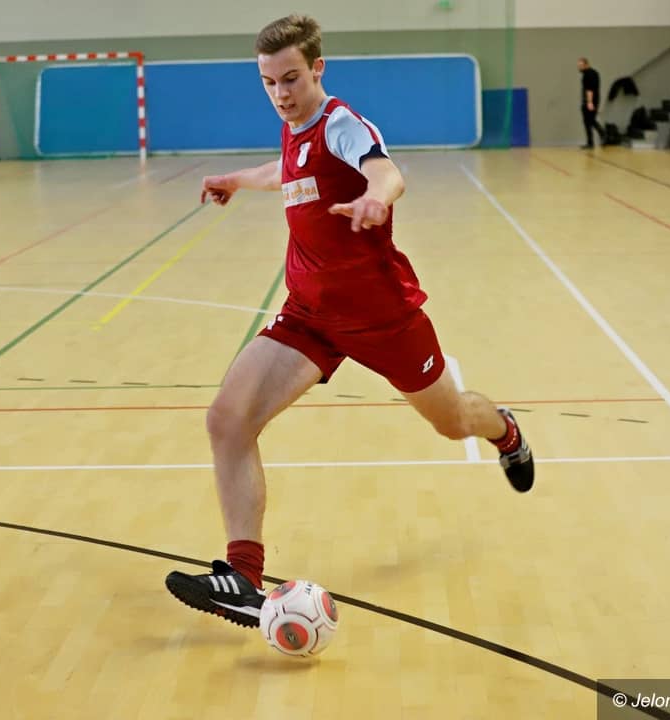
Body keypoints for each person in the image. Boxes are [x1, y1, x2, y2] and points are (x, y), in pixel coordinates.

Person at [164, 14, 534, 628]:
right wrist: (236, 179)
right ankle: (244, 578)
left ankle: (505, 431)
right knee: (227, 420)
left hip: (382, 318)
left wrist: (375, 197)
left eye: (291, 78)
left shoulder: (340, 123)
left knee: (451, 421)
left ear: (317, 69)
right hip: (309, 315)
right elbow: (284, 172)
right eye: (268, 82)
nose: (281, 93)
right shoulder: (293, 129)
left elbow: (386, 170)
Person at [578, 57, 605, 149]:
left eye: (581, 65)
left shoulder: (588, 75)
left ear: (586, 64)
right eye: (579, 66)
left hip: (590, 101)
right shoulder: (594, 73)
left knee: (589, 120)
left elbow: (589, 90)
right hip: (593, 100)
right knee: (589, 121)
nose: (579, 67)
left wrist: (589, 102)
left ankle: (602, 134)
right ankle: (591, 142)